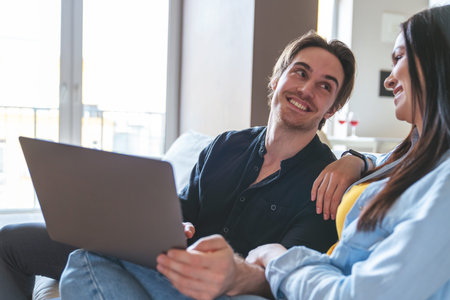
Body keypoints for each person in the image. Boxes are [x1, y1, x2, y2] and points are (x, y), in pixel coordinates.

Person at [0, 31, 356, 299]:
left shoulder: (326, 184)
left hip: (223, 291)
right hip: (164, 265)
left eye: (325, 87)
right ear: (277, 78)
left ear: (333, 109)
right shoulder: (226, 145)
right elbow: (184, 207)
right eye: (300, 73)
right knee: (11, 241)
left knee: (85, 262)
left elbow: (288, 277)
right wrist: (173, 222)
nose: (307, 89)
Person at [234, 5, 450, 300]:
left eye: (399, 57)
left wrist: (277, 259)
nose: (388, 80)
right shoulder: (413, 157)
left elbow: (359, 294)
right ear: (276, 79)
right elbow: (383, 162)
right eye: (299, 73)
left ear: (437, 60)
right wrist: (357, 159)